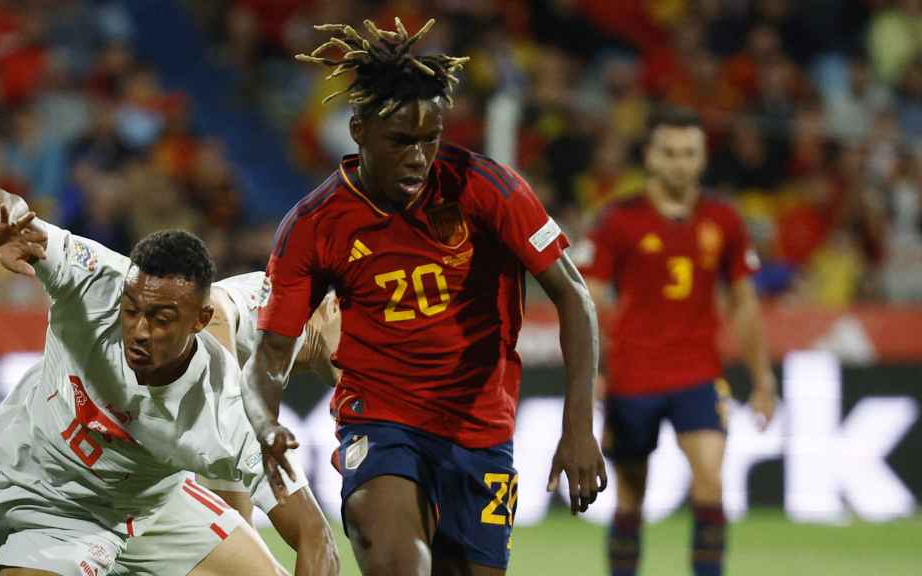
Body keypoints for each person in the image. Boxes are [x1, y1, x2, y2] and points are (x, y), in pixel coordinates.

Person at [241, 17, 606, 576]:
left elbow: (573, 297)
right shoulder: (314, 225)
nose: (419, 157)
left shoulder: (486, 188)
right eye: (400, 141)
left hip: (479, 426)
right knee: (400, 564)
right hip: (381, 418)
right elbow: (268, 356)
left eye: (430, 139)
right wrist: (265, 424)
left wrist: (578, 426)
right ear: (358, 131)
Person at [0, 188, 285, 576]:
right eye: (134, 310)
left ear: (197, 318)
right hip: (0, 470)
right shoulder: (94, 281)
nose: (143, 329)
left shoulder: (233, 359)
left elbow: (246, 451)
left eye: (164, 317)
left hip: (104, 512)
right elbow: (5, 208)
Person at [574, 108, 777, 576]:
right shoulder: (618, 220)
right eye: (669, 153)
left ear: (702, 159)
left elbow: (744, 304)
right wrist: (596, 376)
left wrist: (763, 379)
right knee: (630, 497)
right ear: (650, 157)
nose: (679, 164)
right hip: (632, 378)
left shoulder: (723, 219)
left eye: (689, 153)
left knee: (711, 483)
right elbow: (590, 303)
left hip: (698, 374)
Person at [112, 271, 341, 576]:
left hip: (144, 465)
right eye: (361, 338)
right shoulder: (291, 303)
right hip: (124, 424)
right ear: (335, 307)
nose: (360, 356)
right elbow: (215, 304)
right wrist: (229, 396)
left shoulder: (288, 362)